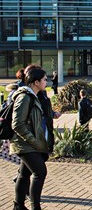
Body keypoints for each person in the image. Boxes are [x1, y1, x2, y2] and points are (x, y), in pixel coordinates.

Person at [10, 65, 51, 210]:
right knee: (40, 172)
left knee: (24, 173)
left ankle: (18, 206)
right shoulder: (24, 97)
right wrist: (33, 140)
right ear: (36, 82)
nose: (47, 82)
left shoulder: (33, 96)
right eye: (45, 79)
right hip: (24, 143)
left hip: (28, 143)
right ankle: (35, 207)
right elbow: (17, 124)